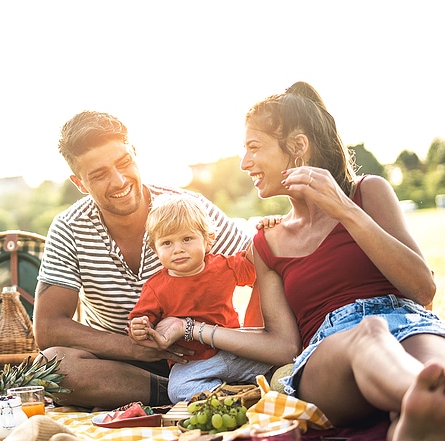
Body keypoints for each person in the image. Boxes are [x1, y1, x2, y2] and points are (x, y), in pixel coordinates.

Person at [144, 81, 445, 440]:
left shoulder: (368, 193)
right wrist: (194, 328)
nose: (244, 163)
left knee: (436, 375)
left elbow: (422, 289)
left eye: (254, 148)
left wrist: (346, 210)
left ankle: (418, 413)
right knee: (372, 334)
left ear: (298, 147)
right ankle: (418, 398)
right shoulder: (267, 243)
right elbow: (284, 346)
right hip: (328, 355)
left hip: (409, 322)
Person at [33, 110, 254, 409]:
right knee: (51, 366)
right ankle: (179, 393)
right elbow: (48, 328)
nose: (119, 180)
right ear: (80, 183)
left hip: (209, 355)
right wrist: (135, 349)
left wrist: (255, 339)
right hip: (124, 367)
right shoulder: (68, 227)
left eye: (123, 163)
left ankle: (198, 386)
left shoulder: (187, 208)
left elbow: (262, 268)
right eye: (99, 175)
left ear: (135, 154)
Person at [127, 194, 274, 403]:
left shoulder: (223, 266)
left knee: (278, 363)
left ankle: (249, 389)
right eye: (167, 243)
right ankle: (231, 395)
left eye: (187, 239)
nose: (178, 249)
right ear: (155, 249)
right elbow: (141, 322)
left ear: (207, 241)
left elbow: (255, 262)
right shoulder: (155, 287)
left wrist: (266, 232)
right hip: (194, 363)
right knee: (177, 389)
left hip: (234, 350)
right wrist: (139, 328)